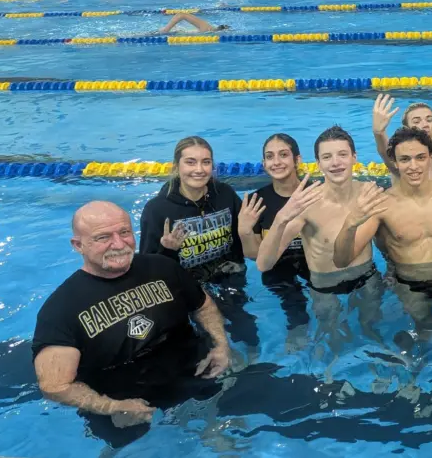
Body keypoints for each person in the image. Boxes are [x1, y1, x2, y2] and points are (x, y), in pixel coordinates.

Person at [32, 201, 230, 445]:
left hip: (190, 368)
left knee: (218, 421)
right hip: (122, 396)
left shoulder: (162, 267)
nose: (118, 243)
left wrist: (220, 345)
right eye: (103, 237)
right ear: (78, 245)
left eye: (124, 232)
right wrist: (111, 406)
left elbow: (203, 305)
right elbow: (54, 384)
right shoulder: (61, 309)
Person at [333, 127, 432, 346]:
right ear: (395, 162)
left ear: (431, 157)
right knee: (424, 328)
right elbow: (342, 260)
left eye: (420, 157)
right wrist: (350, 223)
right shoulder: (382, 204)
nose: (413, 166)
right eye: (405, 159)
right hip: (410, 285)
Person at [255, 127, 384, 354]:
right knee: (331, 337)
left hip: (365, 278)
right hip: (325, 287)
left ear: (354, 157)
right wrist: (282, 218)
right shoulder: (308, 202)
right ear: (318, 163)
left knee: (371, 328)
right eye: (327, 157)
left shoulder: (370, 194)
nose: (335, 162)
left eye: (342, 154)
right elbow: (263, 264)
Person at [138, 136, 258, 351]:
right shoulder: (158, 209)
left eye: (206, 162)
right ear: (177, 166)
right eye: (190, 162)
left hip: (229, 280)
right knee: (207, 347)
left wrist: (247, 229)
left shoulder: (225, 195)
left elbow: (245, 244)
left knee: (249, 337)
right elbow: (148, 273)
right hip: (189, 293)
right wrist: (168, 250)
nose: (199, 169)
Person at [238, 134, 311, 352]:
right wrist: (244, 231)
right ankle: (297, 328)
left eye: (283, 155)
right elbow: (254, 256)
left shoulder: (315, 193)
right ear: (263, 164)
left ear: (297, 160)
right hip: (277, 269)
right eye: (270, 157)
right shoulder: (256, 201)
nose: (276, 162)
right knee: (292, 301)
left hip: (313, 263)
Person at [372, 95, 432, 183]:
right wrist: (379, 133)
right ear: (406, 128)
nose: (425, 124)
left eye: (429, 120)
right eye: (416, 121)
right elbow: (386, 154)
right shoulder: (402, 159)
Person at [157, 13, 229, 34]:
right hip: (167, 32)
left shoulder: (208, 30)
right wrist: (166, 30)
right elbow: (181, 15)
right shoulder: (207, 28)